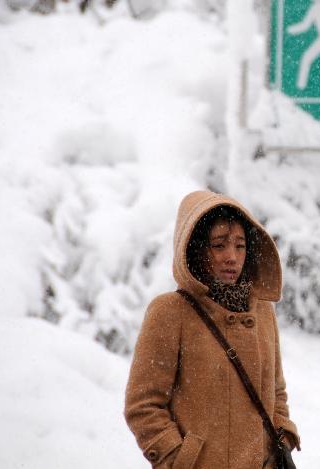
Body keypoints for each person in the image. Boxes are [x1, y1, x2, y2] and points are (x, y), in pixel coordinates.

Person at [125, 191, 300, 469]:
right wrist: (179, 458)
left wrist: (282, 437)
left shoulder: (262, 311)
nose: (232, 257)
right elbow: (143, 405)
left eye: (240, 246)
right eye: (219, 245)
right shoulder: (171, 311)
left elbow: (276, 392)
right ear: (196, 249)